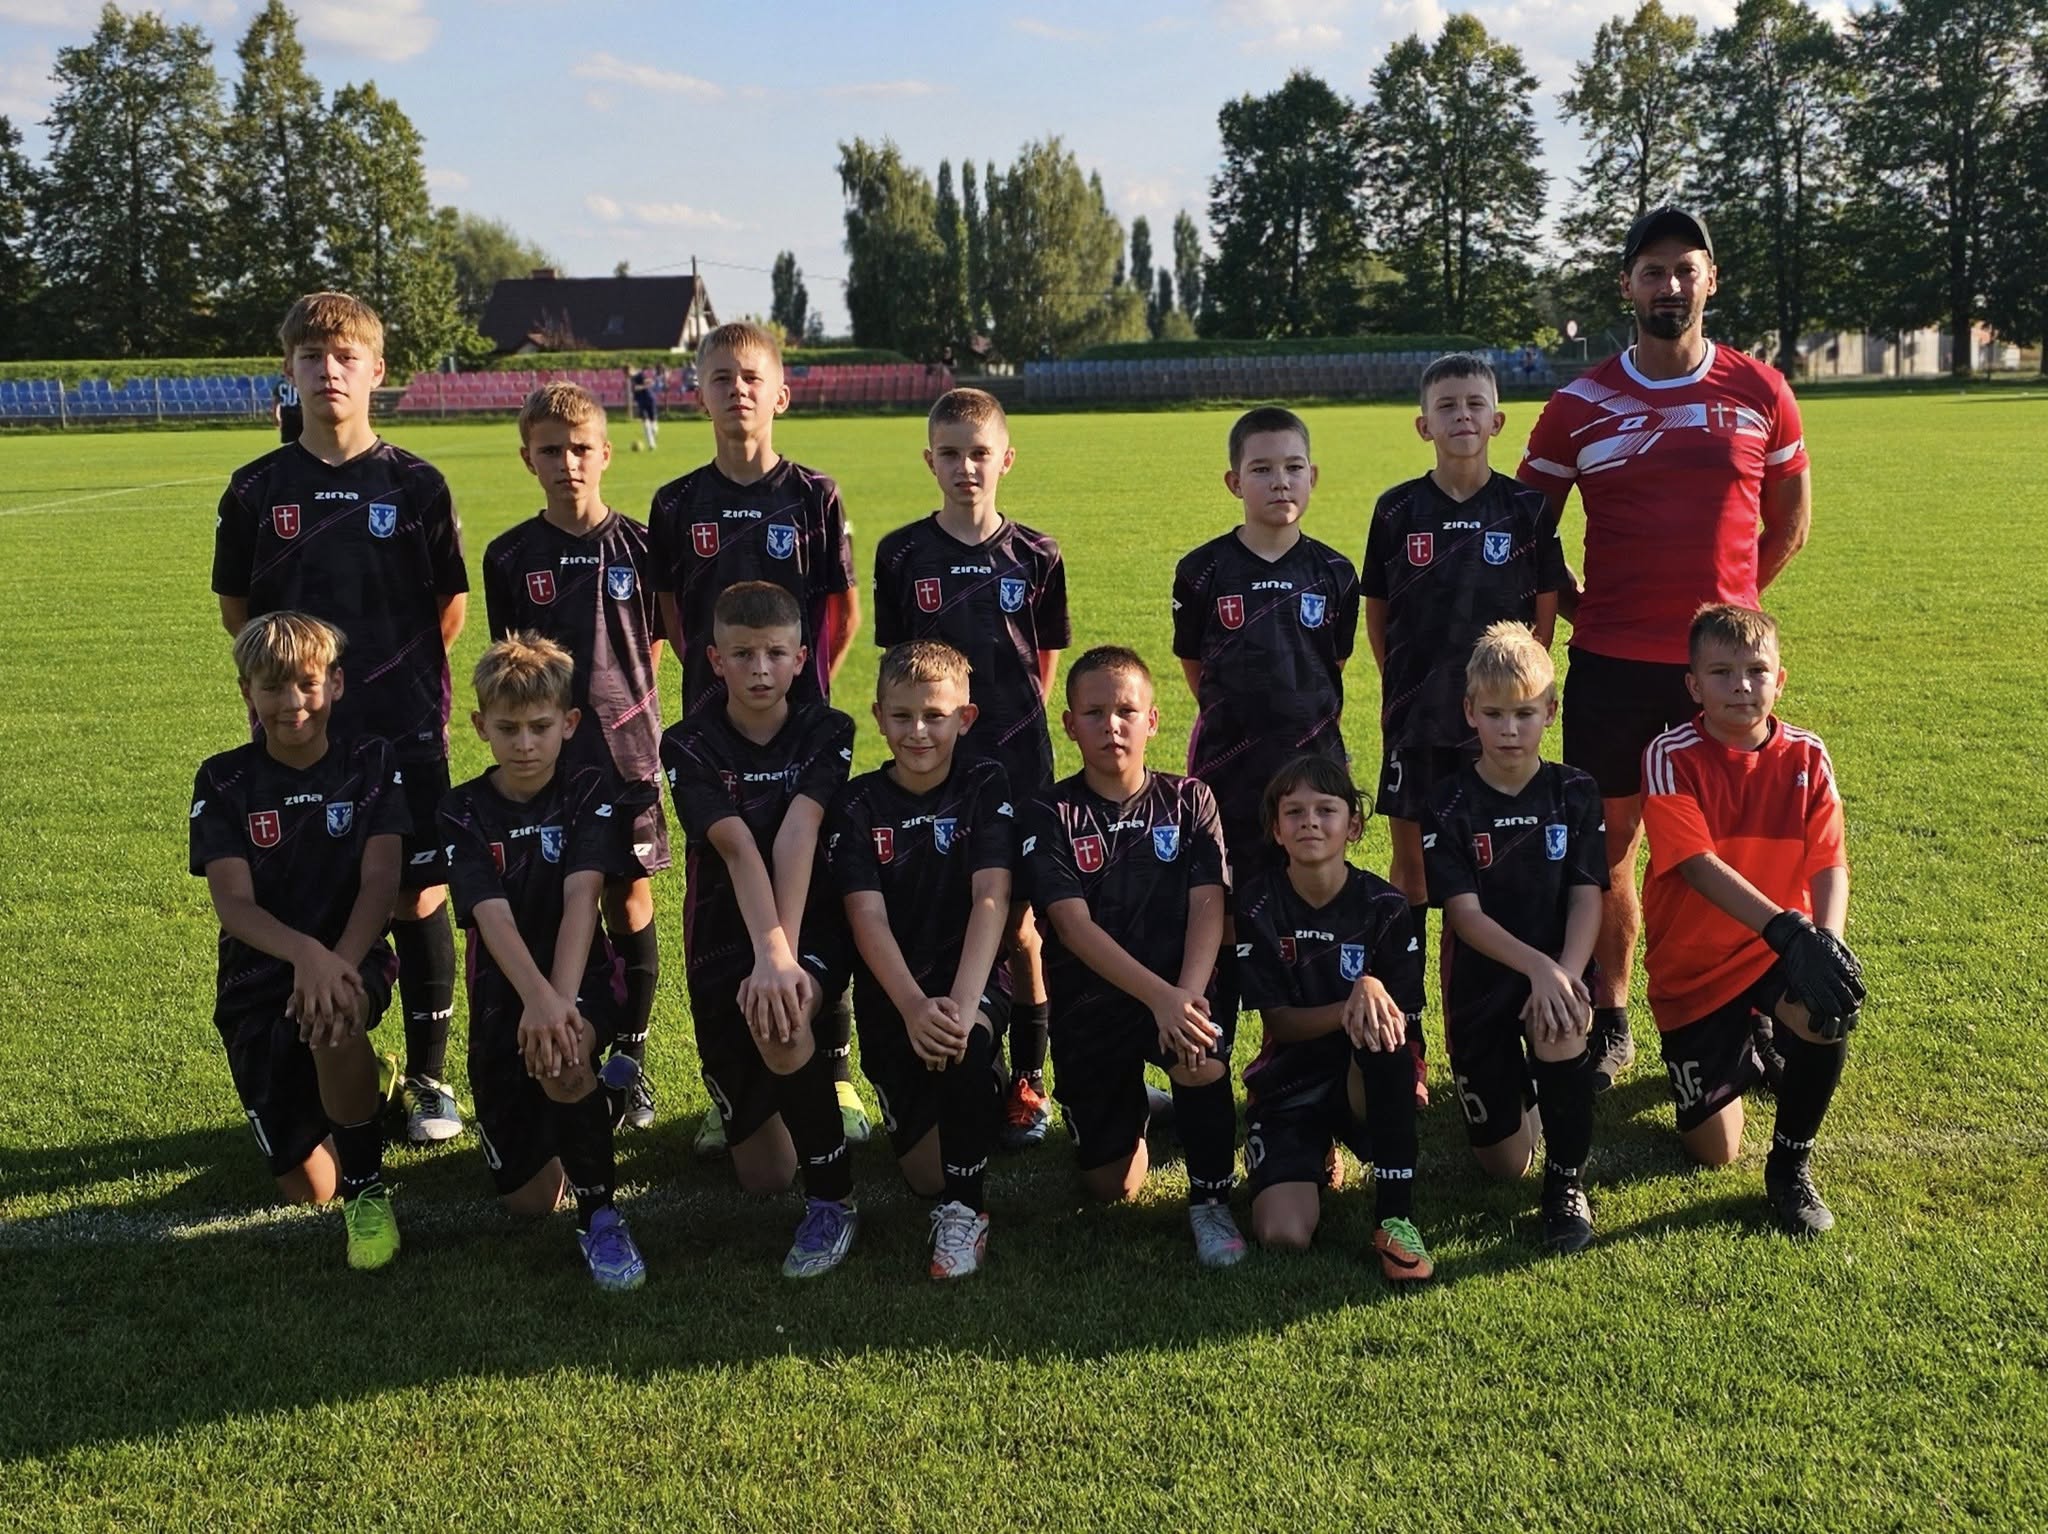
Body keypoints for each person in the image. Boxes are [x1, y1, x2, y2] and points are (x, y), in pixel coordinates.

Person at [1518, 208, 1813, 1093]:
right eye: (1652, 271)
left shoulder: (1762, 390)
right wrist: (1580, 609)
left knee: (1732, 847)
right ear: (1627, 286)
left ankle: (1743, 1014)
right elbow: (1529, 535)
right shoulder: (1578, 406)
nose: (1670, 285)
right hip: (1612, 664)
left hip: (1722, 677)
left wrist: (1730, 618)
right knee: (1607, 847)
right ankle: (1611, 1016)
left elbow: (1789, 525)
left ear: (1711, 280)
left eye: (1686, 269)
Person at [213, 291, 470, 1149]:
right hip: (298, 731)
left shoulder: (417, 484)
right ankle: (331, 1059)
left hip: (405, 725)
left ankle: (429, 1078)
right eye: (312, 357)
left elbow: (449, 609)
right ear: (289, 370)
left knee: (417, 891)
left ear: (377, 371)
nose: (329, 371)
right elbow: (240, 614)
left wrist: (390, 682)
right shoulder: (257, 489)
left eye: (346, 357)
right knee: (312, 889)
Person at [647, 320, 867, 1154]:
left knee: (819, 884)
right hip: (716, 731)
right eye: (720, 377)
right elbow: (673, 613)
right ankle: (728, 1084)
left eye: (751, 377)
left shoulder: (814, 494)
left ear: (780, 394)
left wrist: (804, 693)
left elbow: (839, 610)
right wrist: (719, 689)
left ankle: (834, 1072)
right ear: (697, 395)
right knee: (718, 884)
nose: (736, 390)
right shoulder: (676, 503)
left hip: (800, 729)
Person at [1362, 353, 1565, 1107]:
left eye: (1475, 404)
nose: (1462, 417)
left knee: (1497, 876)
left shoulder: (1527, 510)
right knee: (1413, 879)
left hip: (1500, 731)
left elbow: (1541, 622)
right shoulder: (1395, 510)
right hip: (1417, 725)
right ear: (1424, 425)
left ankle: (1501, 1029)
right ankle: (1409, 1039)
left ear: (1497, 419)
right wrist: (1414, 692)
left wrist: (1513, 701)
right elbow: (1379, 617)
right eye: (1446, 406)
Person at [871, 387, 1068, 1152]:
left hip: (1018, 763)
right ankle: (956, 1051)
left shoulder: (1038, 554)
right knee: (947, 909)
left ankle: (1029, 1078)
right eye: (950, 455)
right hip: (934, 765)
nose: (966, 468)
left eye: (980, 454)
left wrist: (1011, 728)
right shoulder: (902, 555)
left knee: (1020, 925)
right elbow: (901, 665)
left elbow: (1043, 661)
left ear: (1006, 460)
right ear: (930, 460)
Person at [188, 612, 405, 1270]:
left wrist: (336, 967)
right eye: (272, 687)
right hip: (259, 977)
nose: (292, 703)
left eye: (307, 684)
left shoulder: (370, 762)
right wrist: (306, 955)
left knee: (334, 1017)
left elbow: (381, 882)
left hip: (352, 958)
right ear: (246, 692)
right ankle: (368, 1085)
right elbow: (233, 903)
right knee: (311, 1189)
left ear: (335, 683)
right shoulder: (223, 780)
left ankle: (368, 1194)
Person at [659, 581, 862, 1277]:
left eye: (776, 653)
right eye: (742, 654)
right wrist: (765, 954)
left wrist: (782, 958)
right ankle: (786, 1095)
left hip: (808, 921)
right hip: (724, 930)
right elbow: (738, 847)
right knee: (766, 1176)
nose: (760, 669)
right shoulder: (686, 742)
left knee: (783, 1017)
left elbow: (798, 833)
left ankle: (833, 1199)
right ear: (715, 660)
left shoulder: (828, 730)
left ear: (802, 658)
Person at [1640, 605, 1862, 1236]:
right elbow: (1696, 865)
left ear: (1779, 680)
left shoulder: (1808, 755)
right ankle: (1754, 1039)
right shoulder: (1669, 755)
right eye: (1721, 672)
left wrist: (1825, 945)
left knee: (1824, 1011)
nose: (1741, 685)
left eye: (1756, 671)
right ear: (1693, 686)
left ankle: (1790, 1168)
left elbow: (1829, 861)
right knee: (1714, 1150)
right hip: (1697, 967)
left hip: (1774, 952)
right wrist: (1789, 930)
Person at [1023, 647, 1246, 1268]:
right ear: (1069, 725)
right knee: (1111, 1187)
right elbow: (1072, 926)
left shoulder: (1191, 799)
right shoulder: (1049, 811)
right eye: (1094, 713)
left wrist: (1187, 997)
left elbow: (1209, 906)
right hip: (1093, 1007)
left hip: (1180, 990)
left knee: (1198, 1050)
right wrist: (1162, 999)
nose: (1112, 726)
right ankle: (1137, 1101)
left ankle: (1210, 1201)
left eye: (1126, 711)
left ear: (1152, 720)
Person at [439, 635, 649, 1290]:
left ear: (569, 723)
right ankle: (598, 1099)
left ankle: (601, 1219)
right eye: (508, 729)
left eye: (539, 726)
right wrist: (536, 1000)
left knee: (562, 1056)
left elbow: (583, 896)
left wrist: (558, 1005)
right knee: (529, 1202)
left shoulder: (587, 791)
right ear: (481, 726)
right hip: (506, 990)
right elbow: (491, 915)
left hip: (581, 976)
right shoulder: (461, 809)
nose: (525, 744)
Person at [483, 383, 665, 1131]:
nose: (568, 463)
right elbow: (512, 665)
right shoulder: (508, 555)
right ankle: (562, 1038)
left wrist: (626, 709)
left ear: (606, 454)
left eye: (581, 448)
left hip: (625, 757)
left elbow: (653, 644)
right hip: (545, 764)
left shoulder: (642, 547)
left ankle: (630, 1059)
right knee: (557, 901)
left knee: (627, 898)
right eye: (551, 450)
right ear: (527, 458)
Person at [828, 641, 1014, 1279]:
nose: (918, 732)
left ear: (965, 718)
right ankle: (976, 1096)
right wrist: (911, 1007)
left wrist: (959, 1008)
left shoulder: (985, 783)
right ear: (878, 717)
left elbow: (991, 897)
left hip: (969, 981)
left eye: (935, 716)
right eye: (902, 716)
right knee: (923, 1175)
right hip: (895, 997)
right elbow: (866, 916)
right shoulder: (857, 804)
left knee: (963, 1052)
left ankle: (966, 1212)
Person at [1421, 623, 1606, 1254]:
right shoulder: (1447, 802)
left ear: (1550, 712)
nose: (1509, 729)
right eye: (1495, 714)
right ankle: (1525, 1087)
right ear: (1469, 711)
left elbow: (1587, 896)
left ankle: (1566, 1185)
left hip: (1559, 968)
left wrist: (1567, 974)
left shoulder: (1574, 792)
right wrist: (1538, 968)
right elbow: (1464, 915)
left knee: (1560, 1021)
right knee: (1504, 1165)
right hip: (1483, 984)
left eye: (1524, 714)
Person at [1235, 756, 1433, 1282]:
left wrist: (1371, 995)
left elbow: (1402, 1020)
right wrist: (1352, 999)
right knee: (1283, 1235)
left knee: (1384, 1033)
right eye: (1294, 812)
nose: (1310, 822)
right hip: (1291, 1081)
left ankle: (1395, 1219)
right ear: (1276, 830)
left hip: (1362, 1076)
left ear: (1354, 825)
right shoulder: (1256, 904)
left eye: (1326, 810)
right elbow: (1279, 1022)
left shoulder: (1386, 905)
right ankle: (1313, 1152)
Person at [1173, 406, 1360, 878]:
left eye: (1293, 467)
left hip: (1313, 759)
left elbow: (1332, 663)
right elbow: (1195, 664)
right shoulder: (1201, 571)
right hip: (1228, 762)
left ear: (1312, 476)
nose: (1281, 482)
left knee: (1311, 882)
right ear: (1234, 482)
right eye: (1261, 470)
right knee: (1227, 886)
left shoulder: (1336, 572)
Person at [628, 365, 659, 453]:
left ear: (631, 370)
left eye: (627, 372)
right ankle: (651, 444)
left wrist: (641, 387)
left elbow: (650, 382)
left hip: (649, 400)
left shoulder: (640, 375)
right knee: (645, 423)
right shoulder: (631, 379)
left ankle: (653, 436)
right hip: (641, 402)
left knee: (654, 426)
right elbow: (634, 391)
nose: (627, 375)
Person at [272, 374, 301, 444]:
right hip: (297, 414)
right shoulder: (300, 382)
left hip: (286, 415)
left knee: (288, 442)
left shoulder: (280, 384)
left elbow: (276, 402)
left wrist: (275, 416)